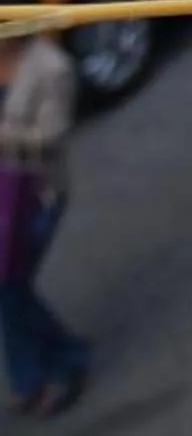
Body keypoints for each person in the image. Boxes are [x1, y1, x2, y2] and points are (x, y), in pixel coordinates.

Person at [0, 33, 88, 415]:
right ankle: (33, 374)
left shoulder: (53, 68)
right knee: (9, 290)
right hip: (3, 187)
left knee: (10, 287)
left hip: (34, 194)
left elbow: (51, 137)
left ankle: (65, 361)